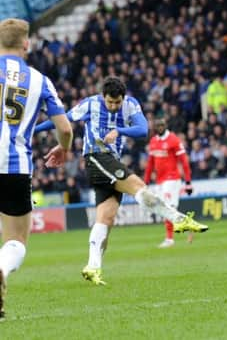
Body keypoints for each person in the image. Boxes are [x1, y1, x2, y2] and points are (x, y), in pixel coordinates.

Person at [35, 76, 208, 286]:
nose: (114, 106)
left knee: (106, 220)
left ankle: (93, 266)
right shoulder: (90, 104)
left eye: (117, 102)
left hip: (111, 161)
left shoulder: (131, 105)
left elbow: (143, 130)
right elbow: (61, 120)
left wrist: (120, 131)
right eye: (110, 102)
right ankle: (179, 219)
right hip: (96, 158)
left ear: (123, 98)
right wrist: (31, 131)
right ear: (103, 96)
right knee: (139, 188)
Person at [0, 18, 73, 319]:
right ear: (26, 43)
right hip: (15, 167)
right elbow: (65, 130)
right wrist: (63, 148)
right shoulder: (41, 80)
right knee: (16, 241)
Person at [144, 118, 193, 248]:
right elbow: (150, 164)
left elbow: (184, 161)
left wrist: (188, 182)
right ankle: (187, 225)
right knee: (164, 209)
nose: (159, 127)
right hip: (160, 181)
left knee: (167, 207)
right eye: (157, 125)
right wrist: (146, 181)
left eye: (162, 125)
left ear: (165, 126)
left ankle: (170, 239)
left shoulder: (173, 140)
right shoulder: (154, 141)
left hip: (172, 179)